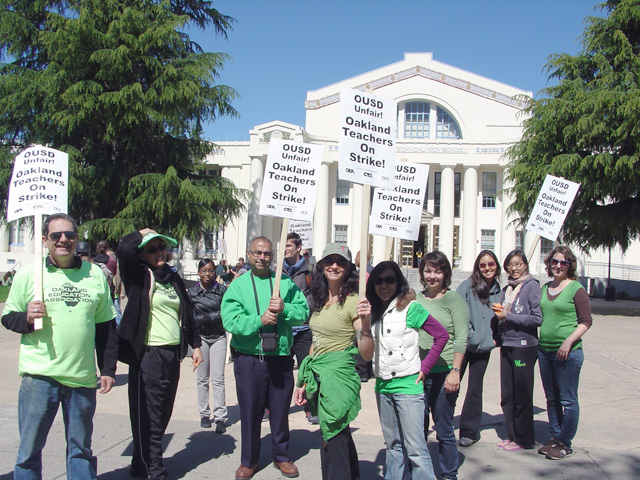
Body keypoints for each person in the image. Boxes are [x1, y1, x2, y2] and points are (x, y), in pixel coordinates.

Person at [1, 213, 118, 479]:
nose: (63, 240)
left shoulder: (95, 275)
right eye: (56, 235)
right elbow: (8, 317)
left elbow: (106, 328)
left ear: (77, 240)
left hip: (82, 380)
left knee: (80, 451)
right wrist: (27, 318)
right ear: (45, 240)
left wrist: (108, 369)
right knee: (29, 452)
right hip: (40, 378)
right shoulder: (30, 275)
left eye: (70, 235)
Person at [117, 228, 203, 480]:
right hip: (147, 355)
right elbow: (124, 250)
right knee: (149, 416)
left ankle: (138, 465)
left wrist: (195, 345)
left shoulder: (173, 279)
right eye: (152, 249)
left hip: (171, 355)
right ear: (142, 255)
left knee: (163, 412)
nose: (159, 253)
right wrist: (139, 233)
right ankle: (155, 470)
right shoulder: (139, 276)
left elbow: (187, 313)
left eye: (161, 247)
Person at [221, 236, 309, 480]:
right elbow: (230, 321)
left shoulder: (285, 283)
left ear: (274, 256)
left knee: (280, 410)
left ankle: (282, 456)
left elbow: (303, 313)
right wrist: (258, 320)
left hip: (280, 357)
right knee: (250, 411)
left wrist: (285, 309)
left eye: (267, 253)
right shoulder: (237, 286)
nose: (262, 257)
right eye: (257, 253)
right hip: (249, 358)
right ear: (249, 254)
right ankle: (249, 460)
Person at [293, 243, 374, 480]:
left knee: (333, 437)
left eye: (340, 262)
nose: (334, 266)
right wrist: (304, 380)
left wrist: (366, 324)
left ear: (349, 268)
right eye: (329, 261)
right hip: (319, 376)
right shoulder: (320, 298)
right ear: (321, 266)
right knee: (339, 437)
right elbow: (316, 341)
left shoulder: (354, 301)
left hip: (338, 380)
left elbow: (367, 354)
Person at [366, 261, 449, 480]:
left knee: (416, 449)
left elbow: (442, 335)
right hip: (383, 386)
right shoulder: (372, 311)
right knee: (393, 446)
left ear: (398, 282)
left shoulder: (411, 308)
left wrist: (426, 367)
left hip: (408, 387)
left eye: (389, 280)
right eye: (379, 281)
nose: (384, 285)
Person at [416, 251, 470, 480]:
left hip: (443, 372)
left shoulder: (454, 300)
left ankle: (449, 474)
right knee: (418, 429)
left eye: (437, 271)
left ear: (445, 274)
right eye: (428, 271)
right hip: (417, 374)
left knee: (444, 428)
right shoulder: (416, 299)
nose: (432, 276)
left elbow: (461, 338)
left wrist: (455, 372)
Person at [537, 246, 592, 460]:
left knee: (568, 400)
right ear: (549, 264)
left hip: (568, 353)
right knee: (551, 398)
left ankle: (565, 442)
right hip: (545, 351)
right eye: (555, 262)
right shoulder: (545, 288)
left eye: (563, 262)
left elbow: (586, 321)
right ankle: (555, 437)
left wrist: (568, 341)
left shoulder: (576, 289)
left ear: (570, 265)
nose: (558, 266)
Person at [493, 249, 542, 451]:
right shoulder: (507, 289)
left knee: (522, 394)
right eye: (510, 265)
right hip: (507, 344)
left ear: (525, 265)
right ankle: (513, 435)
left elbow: (537, 319)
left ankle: (524, 438)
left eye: (518, 264)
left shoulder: (531, 287)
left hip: (524, 346)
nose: (514, 268)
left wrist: (508, 316)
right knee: (508, 394)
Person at [456, 250, 502, 447]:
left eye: (491, 264)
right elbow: (457, 313)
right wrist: (472, 336)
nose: (487, 268)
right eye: (483, 265)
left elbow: (504, 317)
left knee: (475, 389)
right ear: (477, 267)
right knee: (452, 384)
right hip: (464, 345)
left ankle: (469, 431)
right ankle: (443, 422)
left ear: (497, 266)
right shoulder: (467, 286)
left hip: (484, 348)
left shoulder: (501, 291)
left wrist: (496, 340)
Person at [187, 259, 229, 433]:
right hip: (200, 338)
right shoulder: (192, 293)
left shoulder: (222, 291)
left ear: (215, 273)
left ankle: (220, 416)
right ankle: (204, 414)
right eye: (204, 270)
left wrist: (207, 317)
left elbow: (226, 312)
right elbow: (189, 318)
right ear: (198, 272)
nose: (207, 274)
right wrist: (204, 319)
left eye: (211, 271)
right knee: (202, 378)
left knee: (218, 378)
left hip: (218, 336)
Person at [282, 232, 317, 424]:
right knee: (281, 371)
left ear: (298, 247)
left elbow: (317, 295)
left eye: (289, 245)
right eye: (284, 246)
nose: (285, 249)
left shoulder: (310, 270)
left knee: (307, 370)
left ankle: (310, 408)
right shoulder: (278, 269)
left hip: (304, 329)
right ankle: (275, 406)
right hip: (285, 327)